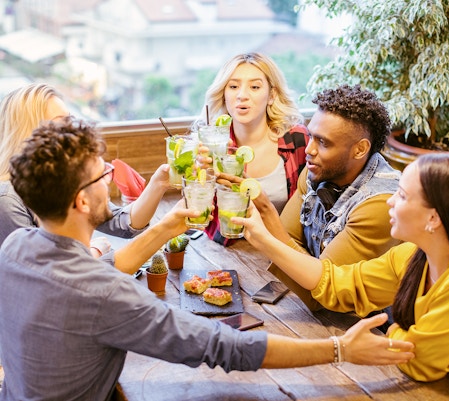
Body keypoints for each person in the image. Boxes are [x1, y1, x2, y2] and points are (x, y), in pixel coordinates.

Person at [0, 117, 414, 400]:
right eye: (102, 174)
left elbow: (94, 276)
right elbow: (224, 346)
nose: (111, 178)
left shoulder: (16, 248)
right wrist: (340, 348)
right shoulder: (103, 295)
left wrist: (165, 228)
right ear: (80, 201)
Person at [234, 153, 449, 401]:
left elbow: (420, 363)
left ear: (433, 218)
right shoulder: (412, 256)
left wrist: (395, 331)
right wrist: (265, 241)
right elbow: (339, 283)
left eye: (401, 195)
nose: (390, 200)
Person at [220, 84, 401, 312]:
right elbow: (288, 240)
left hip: (372, 329)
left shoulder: (380, 205)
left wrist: (265, 209)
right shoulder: (318, 170)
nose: (309, 150)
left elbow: (322, 295)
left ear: (359, 149)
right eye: (311, 137)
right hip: (315, 312)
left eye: (323, 142)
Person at [0, 83, 171, 254]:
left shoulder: (64, 175)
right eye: (61, 125)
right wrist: (94, 252)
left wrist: (158, 183)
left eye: (70, 122)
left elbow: (121, 223)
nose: (72, 132)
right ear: (31, 134)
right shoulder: (7, 201)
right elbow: (40, 271)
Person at [196, 52, 309, 245]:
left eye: (255, 87)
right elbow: (198, 215)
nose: (242, 96)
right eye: (233, 87)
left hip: (285, 250)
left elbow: (313, 210)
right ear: (224, 95)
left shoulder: (297, 139)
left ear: (271, 95)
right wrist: (201, 180)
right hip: (229, 250)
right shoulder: (211, 145)